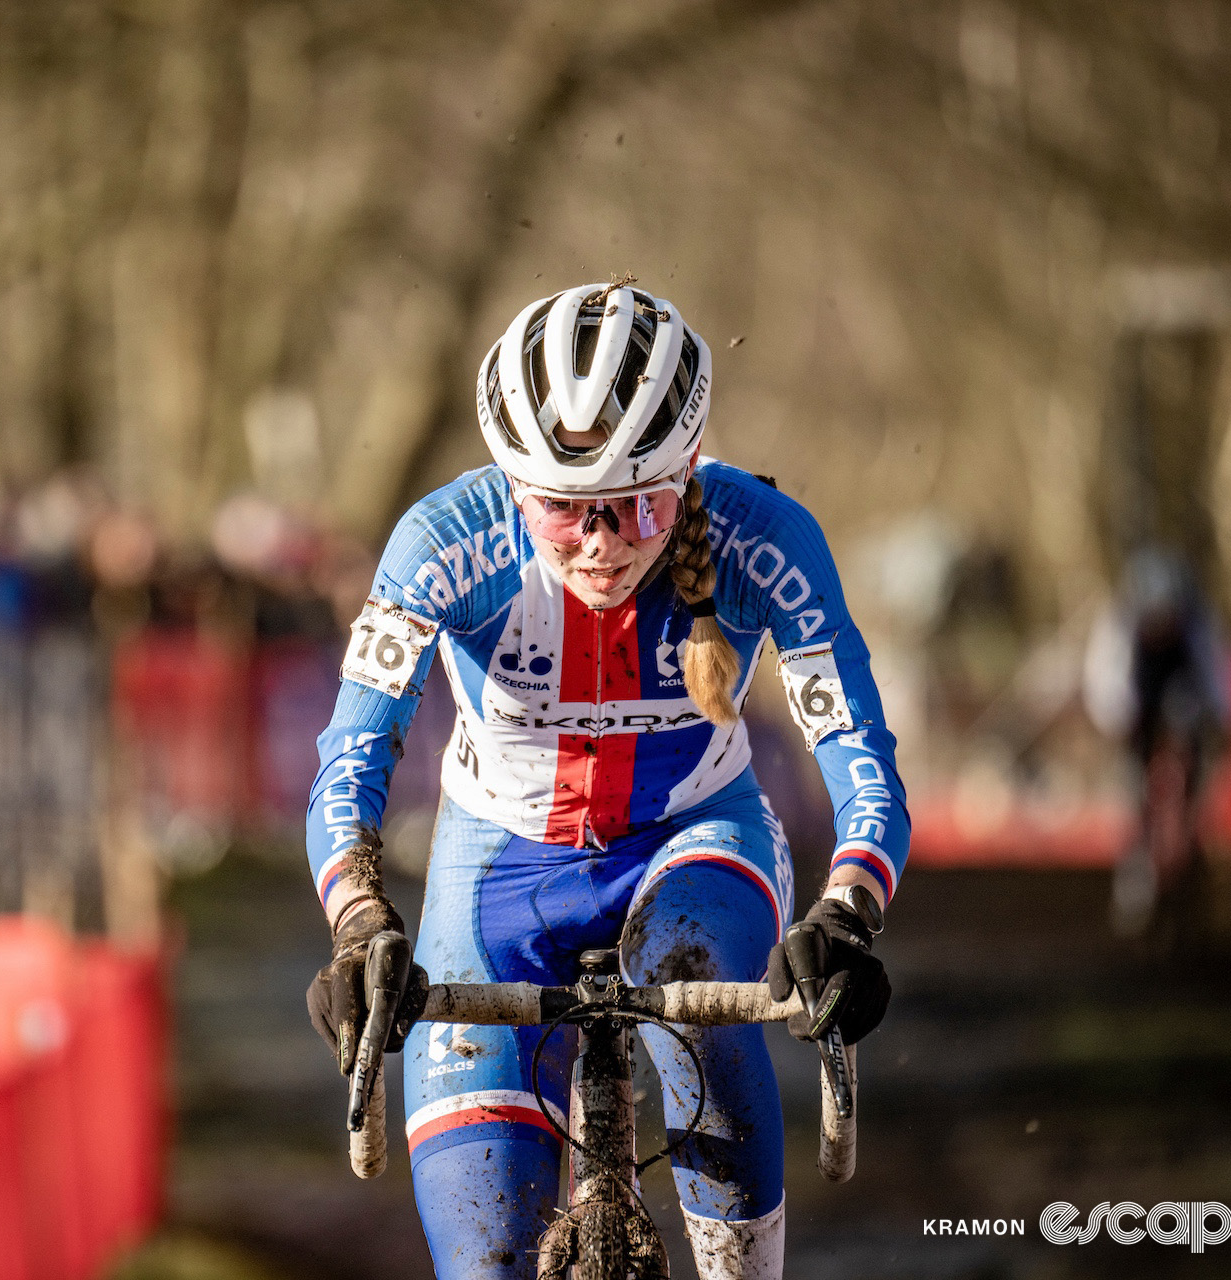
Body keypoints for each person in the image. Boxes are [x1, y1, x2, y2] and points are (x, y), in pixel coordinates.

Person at [303, 281, 909, 1279]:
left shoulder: (768, 537)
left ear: (688, 469)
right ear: (510, 486)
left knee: (685, 969)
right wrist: (360, 920)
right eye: (562, 509)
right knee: (486, 1249)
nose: (602, 540)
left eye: (640, 504)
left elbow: (861, 757)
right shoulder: (444, 542)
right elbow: (350, 758)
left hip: (695, 841)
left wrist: (848, 908)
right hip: (494, 871)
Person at [1082, 546, 1231, 940]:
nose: (1161, 626)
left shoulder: (1199, 626)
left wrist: (1220, 721)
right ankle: (1137, 889)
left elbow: (1219, 678)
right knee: (1137, 798)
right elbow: (1105, 684)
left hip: (1186, 705)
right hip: (1139, 711)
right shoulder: (1119, 629)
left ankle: (1189, 880)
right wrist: (1123, 724)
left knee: (1191, 799)